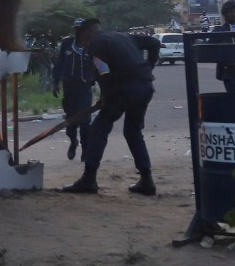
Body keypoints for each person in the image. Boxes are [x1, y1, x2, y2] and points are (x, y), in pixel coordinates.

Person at [63, 19, 160, 196]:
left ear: (88, 33)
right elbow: (154, 43)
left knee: (98, 129)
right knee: (133, 131)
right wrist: (149, 68)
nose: (85, 45)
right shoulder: (123, 36)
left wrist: (105, 95)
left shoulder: (96, 44)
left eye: (83, 40)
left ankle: (89, 179)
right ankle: (147, 179)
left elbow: (104, 71)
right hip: (145, 87)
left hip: (124, 90)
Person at [52, 18, 96, 161]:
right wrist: (55, 82)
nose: (78, 31)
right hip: (69, 87)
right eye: (76, 29)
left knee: (85, 121)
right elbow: (59, 63)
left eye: (80, 29)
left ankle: (85, 149)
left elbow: (98, 65)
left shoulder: (91, 45)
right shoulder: (67, 43)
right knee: (70, 121)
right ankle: (73, 142)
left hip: (84, 88)